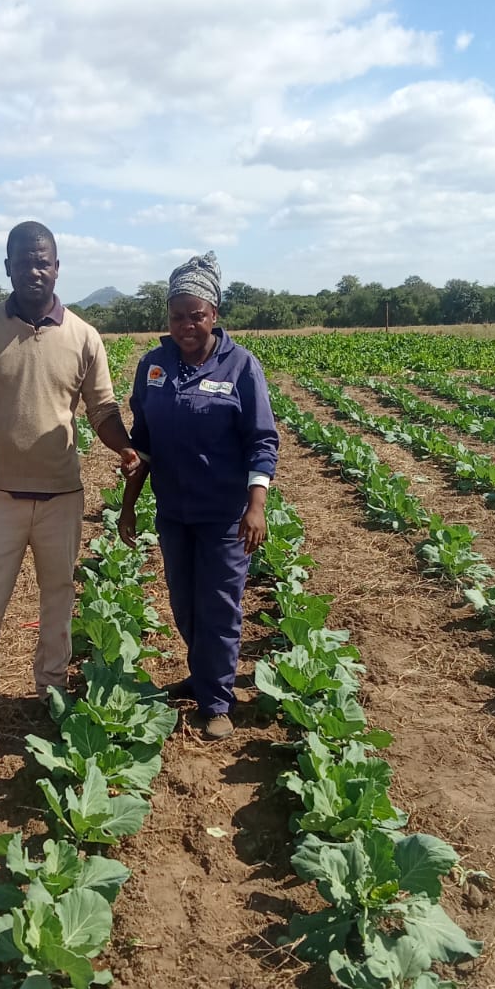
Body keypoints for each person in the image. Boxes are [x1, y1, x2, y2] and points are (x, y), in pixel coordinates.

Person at [0, 220, 139, 738]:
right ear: (7, 267)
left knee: (58, 596)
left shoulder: (83, 336)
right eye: (24, 260)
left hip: (60, 497)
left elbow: (102, 408)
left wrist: (125, 446)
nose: (34, 269)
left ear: (56, 267)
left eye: (43, 260)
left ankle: (51, 691)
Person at [118, 251, 279, 740]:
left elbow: (262, 440)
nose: (186, 325)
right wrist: (128, 505)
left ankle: (216, 701)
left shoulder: (240, 366)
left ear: (214, 314)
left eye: (196, 315)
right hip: (174, 511)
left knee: (220, 605)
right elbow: (141, 441)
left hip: (226, 515)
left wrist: (256, 505)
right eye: (176, 316)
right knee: (185, 604)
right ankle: (203, 673)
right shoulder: (154, 365)